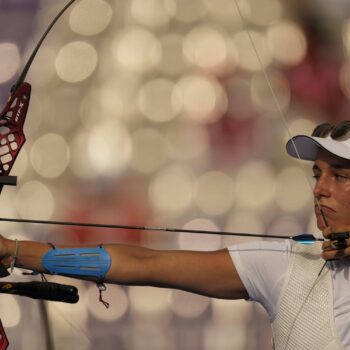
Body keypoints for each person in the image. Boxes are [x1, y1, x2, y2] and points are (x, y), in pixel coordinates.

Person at [0, 121, 350, 349]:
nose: (319, 189)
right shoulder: (289, 266)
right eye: (316, 174)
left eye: (339, 176)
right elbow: (145, 263)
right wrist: (14, 251)